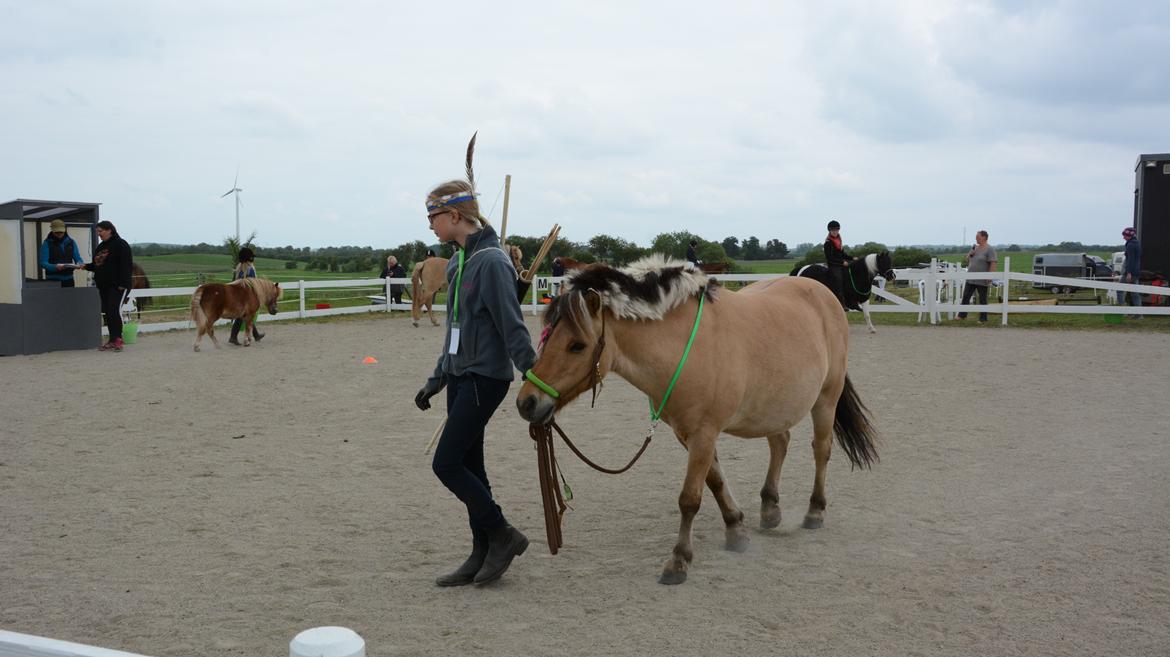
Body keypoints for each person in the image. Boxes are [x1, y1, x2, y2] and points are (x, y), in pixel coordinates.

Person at [414, 175, 536, 587]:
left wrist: (535, 377)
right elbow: (454, 327)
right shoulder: (457, 261)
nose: (430, 225)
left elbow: (511, 326)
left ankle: (503, 534)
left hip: (487, 377)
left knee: (445, 463)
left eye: (433, 217)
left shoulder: (494, 262)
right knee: (470, 466)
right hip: (460, 376)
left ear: (454, 215)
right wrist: (437, 378)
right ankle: (481, 550)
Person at [81, 220, 133, 351]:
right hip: (103, 286)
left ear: (109, 230)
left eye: (101, 231)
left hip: (118, 285)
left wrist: (123, 284)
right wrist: (86, 266)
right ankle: (111, 340)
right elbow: (97, 265)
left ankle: (118, 340)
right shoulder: (100, 247)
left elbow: (126, 265)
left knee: (114, 310)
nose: (99, 234)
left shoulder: (121, 244)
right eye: (97, 231)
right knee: (107, 312)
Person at [956, 230, 998, 322]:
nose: (976, 238)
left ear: (984, 237)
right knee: (966, 296)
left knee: (982, 299)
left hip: (982, 278)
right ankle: (962, 315)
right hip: (971, 277)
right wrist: (970, 254)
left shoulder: (989, 249)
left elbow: (993, 263)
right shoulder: (975, 248)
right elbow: (967, 260)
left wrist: (990, 276)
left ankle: (983, 318)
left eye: (977, 236)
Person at [229, 247, 264, 345]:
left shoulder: (238, 267)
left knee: (246, 316)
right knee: (244, 316)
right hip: (246, 296)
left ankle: (255, 335)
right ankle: (233, 337)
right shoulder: (250, 268)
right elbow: (253, 283)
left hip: (236, 294)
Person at [39, 219, 83, 287]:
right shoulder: (47, 243)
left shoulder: (71, 242)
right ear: (52, 230)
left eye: (61, 231)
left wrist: (79, 263)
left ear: (65, 230)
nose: (59, 233)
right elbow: (43, 263)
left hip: (69, 280)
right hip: (52, 281)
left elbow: (78, 258)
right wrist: (55, 267)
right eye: (57, 232)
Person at [823, 220, 853, 307]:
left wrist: (851, 258)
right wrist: (842, 262)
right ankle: (841, 304)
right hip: (833, 265)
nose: (835, 232)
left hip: (840, 264)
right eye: (833, 230)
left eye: (836, 230)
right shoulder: (828, 243)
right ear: (830, 231)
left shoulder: (838, 241)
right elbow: (830, 258)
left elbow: (842, 254)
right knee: (838, 281)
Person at [1121, 226, 1142, 318]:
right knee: (1135, 293)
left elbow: (1130, 260)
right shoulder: (1136, 243)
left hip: (1130, 273)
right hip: (1136, 272)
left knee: (1119, 290)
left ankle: (1122, 310)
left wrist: (1128, 273)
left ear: (1130, 235)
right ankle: (1138, 314)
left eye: (1125, 235)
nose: (1123, 237)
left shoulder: (1130, 245)